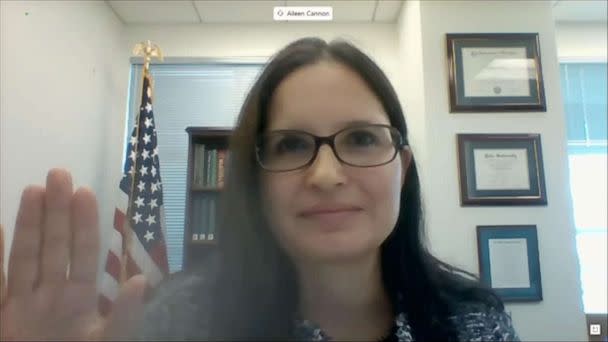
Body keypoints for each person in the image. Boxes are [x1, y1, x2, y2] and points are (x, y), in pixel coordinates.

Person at [0, 37, 520, 341]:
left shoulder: (474, 322)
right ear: (254, 180)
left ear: (402, 169)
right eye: (291, 146)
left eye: (361, 139)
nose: (326, 174)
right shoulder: (179, 325)